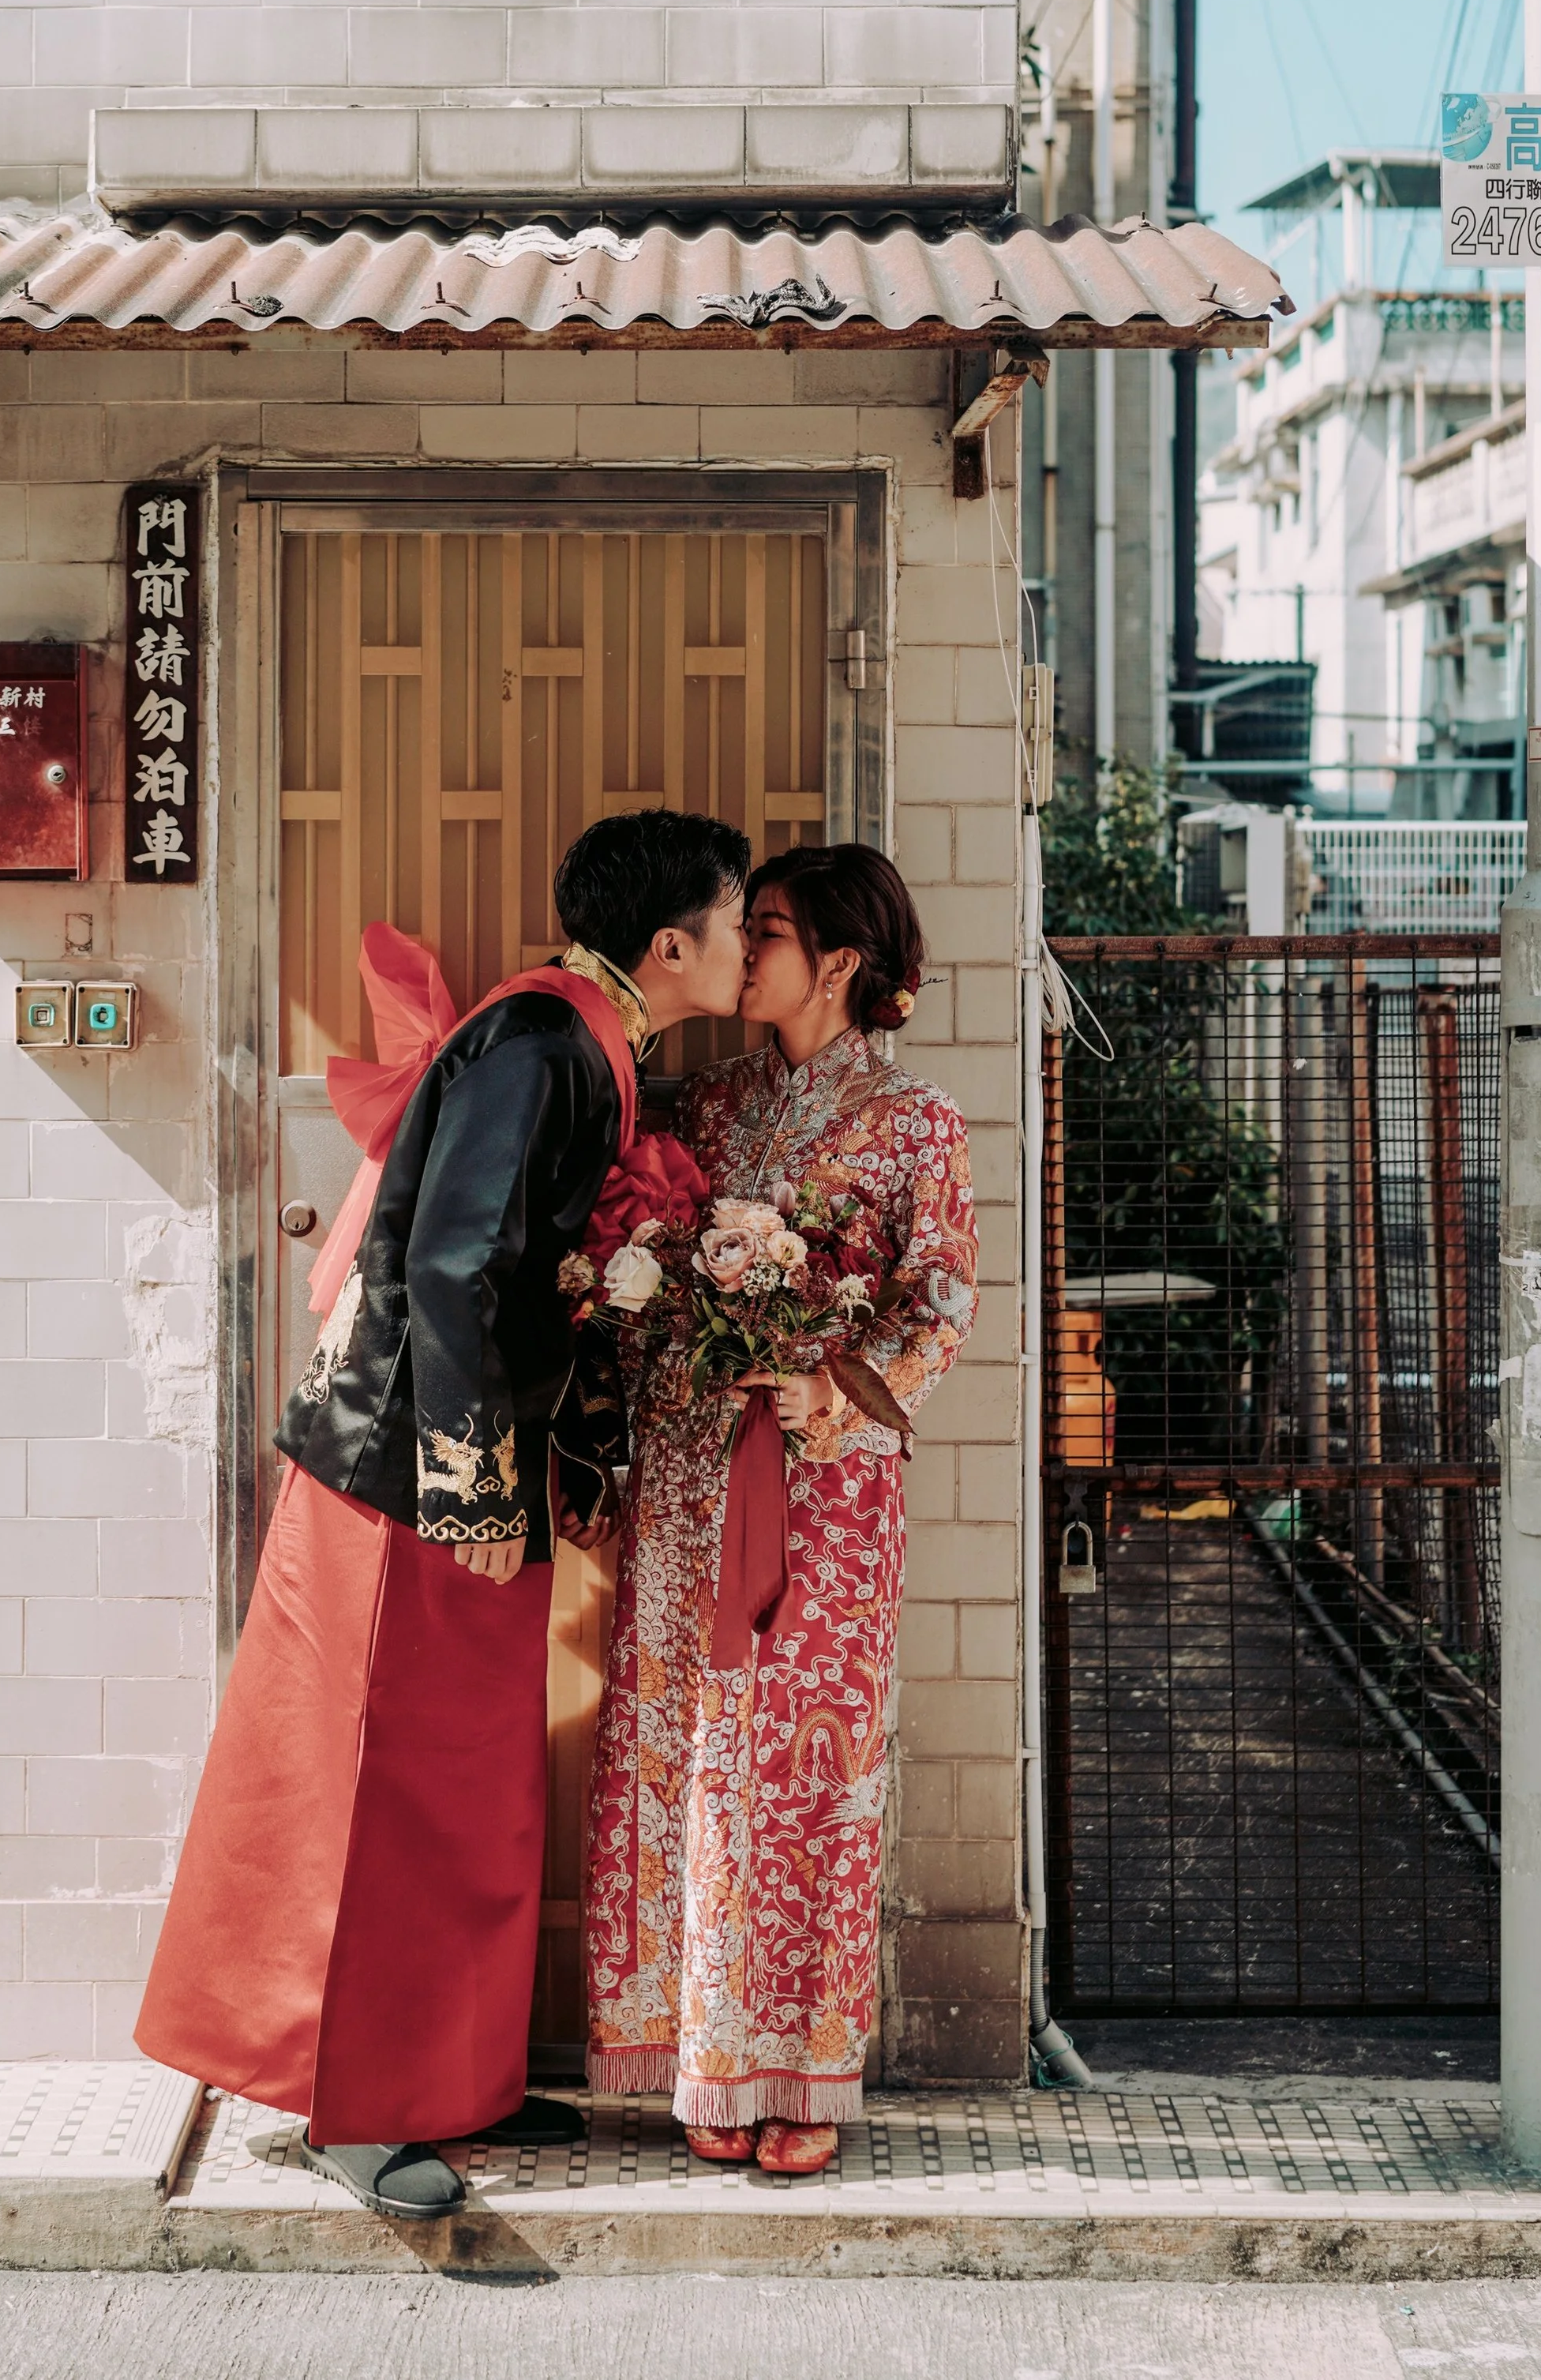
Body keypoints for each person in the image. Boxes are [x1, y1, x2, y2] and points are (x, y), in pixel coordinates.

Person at [135, 809, 751, 2220]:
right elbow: (459, 1266)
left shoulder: (580, 1042)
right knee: (373, 1788)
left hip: (456, 1473)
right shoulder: (541, 1047)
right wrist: (472, 1475)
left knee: (463, 1785)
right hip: (404, 1480)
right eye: (731, 917)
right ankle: (357, 2108)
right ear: (671, 945)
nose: (741, 938)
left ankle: (454, 2078)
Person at [584, 843, 978, 2174]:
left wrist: (833, 1390)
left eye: (767, 930)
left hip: (826, 1491)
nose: (742, 950)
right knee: (689, 1758)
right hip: (693, 1479)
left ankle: (802, 2082)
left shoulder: (918, 1124)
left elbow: (942, 1304)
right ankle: (703, 2058)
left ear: (842, 963)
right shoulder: (697, 1109)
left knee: (804, 1775)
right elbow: (634, 1268)